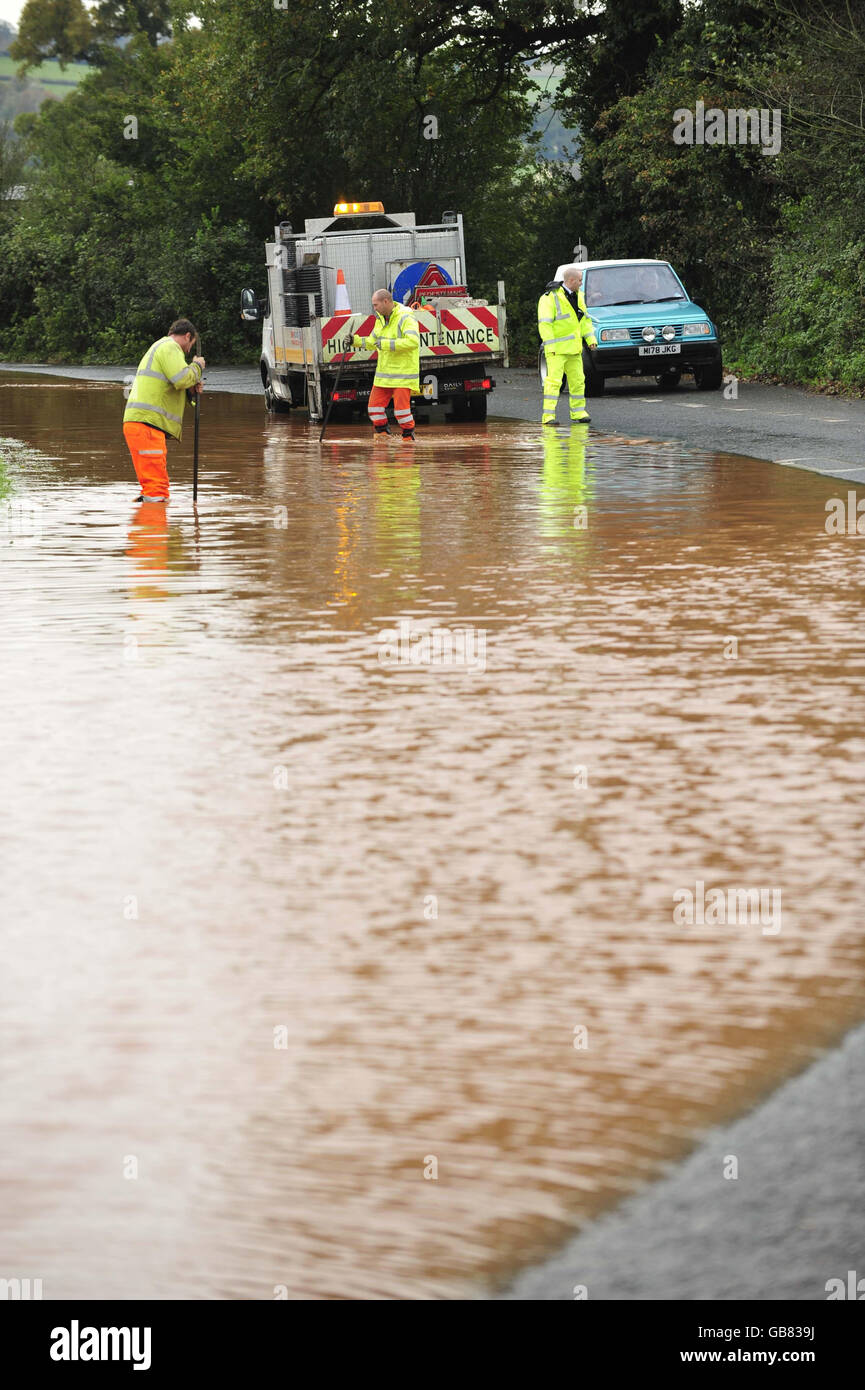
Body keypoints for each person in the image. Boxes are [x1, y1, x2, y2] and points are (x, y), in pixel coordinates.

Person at [123, 319, 205, 502]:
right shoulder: (170, 347)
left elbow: (174, 386)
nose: (189, 350)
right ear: (187, 336)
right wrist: (197, 366)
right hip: (147, 425)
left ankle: (147, 526)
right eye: (190, 345)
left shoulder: (161, 347)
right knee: (157, 489)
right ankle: (155, 525)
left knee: (152, 487)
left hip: (141, 425)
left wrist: (191, 391)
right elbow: (182, 379)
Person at [352, 289, 420, 440]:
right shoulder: (380, 320)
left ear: (386, 302)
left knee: (401, 412)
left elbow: (413, 342)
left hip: (403, 374)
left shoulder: (405, 317)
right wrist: (354, 341)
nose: (374, 308)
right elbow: (371, 342)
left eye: (376, 305)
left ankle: (408, 436)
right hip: (384, 374)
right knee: (374, 408)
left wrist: (386, 344)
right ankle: (382, 434)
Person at [537, 266, 597, 426]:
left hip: (574, 349)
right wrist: (550, 347)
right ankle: (548, 416)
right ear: (571, 281)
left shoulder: (579, 296)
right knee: (553, 383)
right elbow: (545, 325)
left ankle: (578, 412)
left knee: (578, 381)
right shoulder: (549, 298)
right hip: (557, 350)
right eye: (579, 280)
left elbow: (584, 320)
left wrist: (590, 338)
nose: (581, 284)